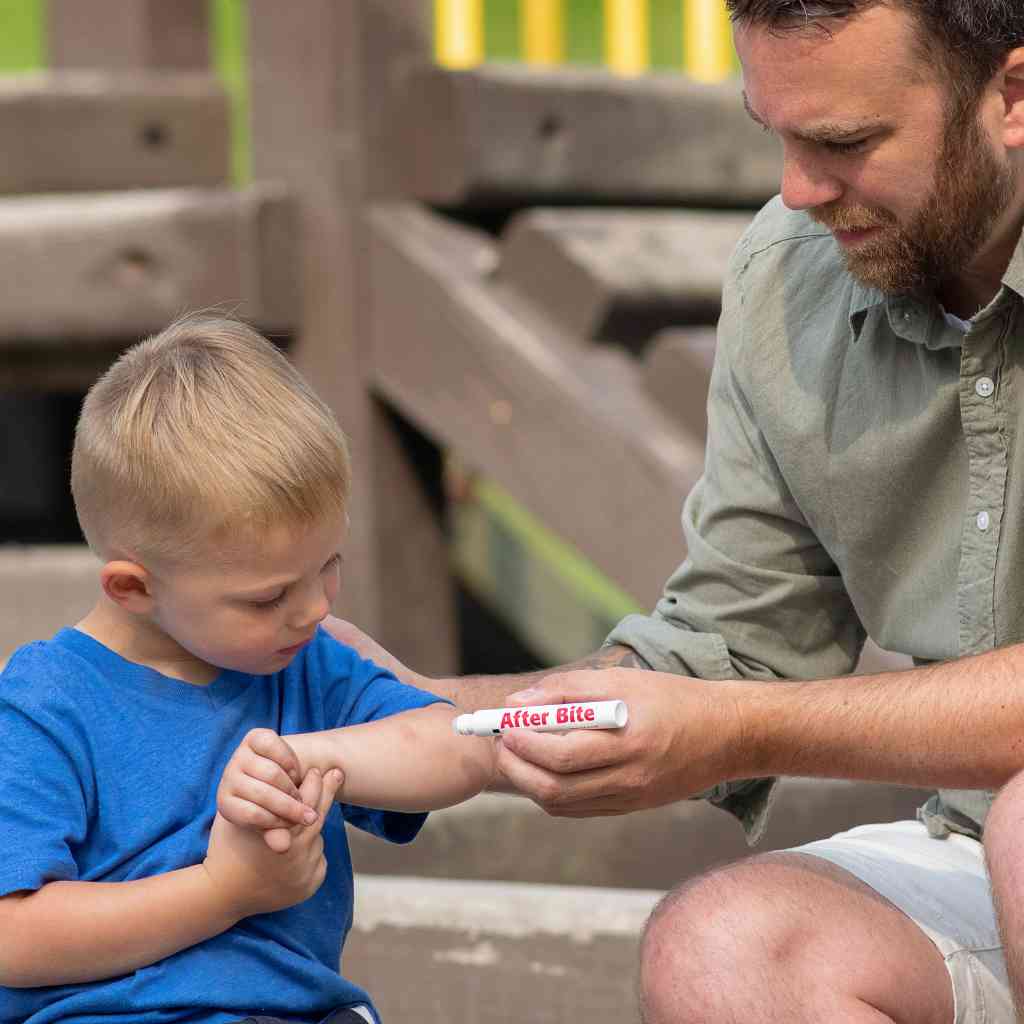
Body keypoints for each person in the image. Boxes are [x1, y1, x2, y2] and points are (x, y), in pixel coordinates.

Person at [326, 1, 1024, 1020]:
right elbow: (736, 645)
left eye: (843, 143)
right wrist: (448, 714)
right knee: (723, 950)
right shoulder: (788, 272)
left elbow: (732, 710)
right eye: (774, 134)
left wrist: (734, 730)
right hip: (978, 845)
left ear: (1010, 95)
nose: (797, 189)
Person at [0, 315, 495, 1024]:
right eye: (269, 596)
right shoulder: (41, 708)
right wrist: (225, 889)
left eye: (329, 566)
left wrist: (302, 755)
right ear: (134, 589)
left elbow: (460, 745)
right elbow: (11, 938)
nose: (314, 608)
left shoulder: (303, 665)